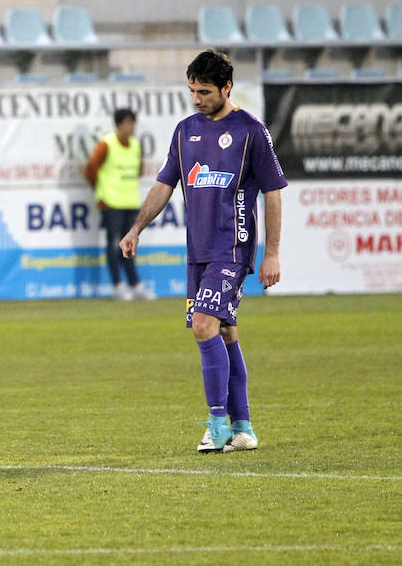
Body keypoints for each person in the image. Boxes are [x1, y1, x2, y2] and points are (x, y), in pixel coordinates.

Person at [119, 51, 286, 453]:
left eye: (205, 91)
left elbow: (273, 192)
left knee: (203, 325)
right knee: (225, 331)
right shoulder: (185, 130)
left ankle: (217, 425)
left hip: (232, 247)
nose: (197, 99)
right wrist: (136, 228)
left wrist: (272, 253)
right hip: (198, 250)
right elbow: (164, 184)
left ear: (226, 87)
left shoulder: (250, 130)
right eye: (192, 91)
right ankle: (243, 428)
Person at [84, 108, 155, 301]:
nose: (132, 127)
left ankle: (135, 284)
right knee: (114, 245)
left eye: (134, 123)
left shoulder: (135, 145)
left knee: (130, 245)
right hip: (111, 202)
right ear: (119, 125)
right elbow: (90, 170)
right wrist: (101, 194)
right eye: (128, 123)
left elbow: (139, 170)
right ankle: (118, 285)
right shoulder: (106, 145)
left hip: (130, 201)